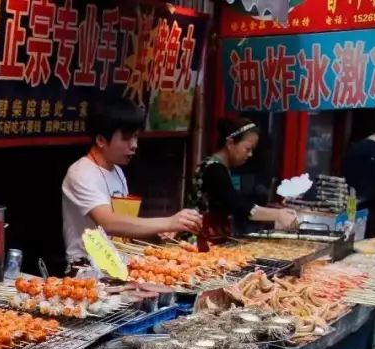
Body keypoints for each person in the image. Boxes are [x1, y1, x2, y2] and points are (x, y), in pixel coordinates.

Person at [61, 98, 202, 267]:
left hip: (118, 265)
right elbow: (109, 223)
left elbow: (125, 227)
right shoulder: (81, 173)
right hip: (87, 270)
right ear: (101, 140)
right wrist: (168, 222)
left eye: (136, 137)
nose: (134, 145)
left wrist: (157, 232)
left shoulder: (118, 171)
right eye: (127, 138)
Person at [187, 117, 299, 239]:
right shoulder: (214, 169)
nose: (250, 154)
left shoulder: (219, 167)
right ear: (230, 143)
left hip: (212, 235)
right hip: (199, 238)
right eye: (247, 149)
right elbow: (237, 204)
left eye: (252, 150)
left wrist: (272, 210)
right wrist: (277, 215)